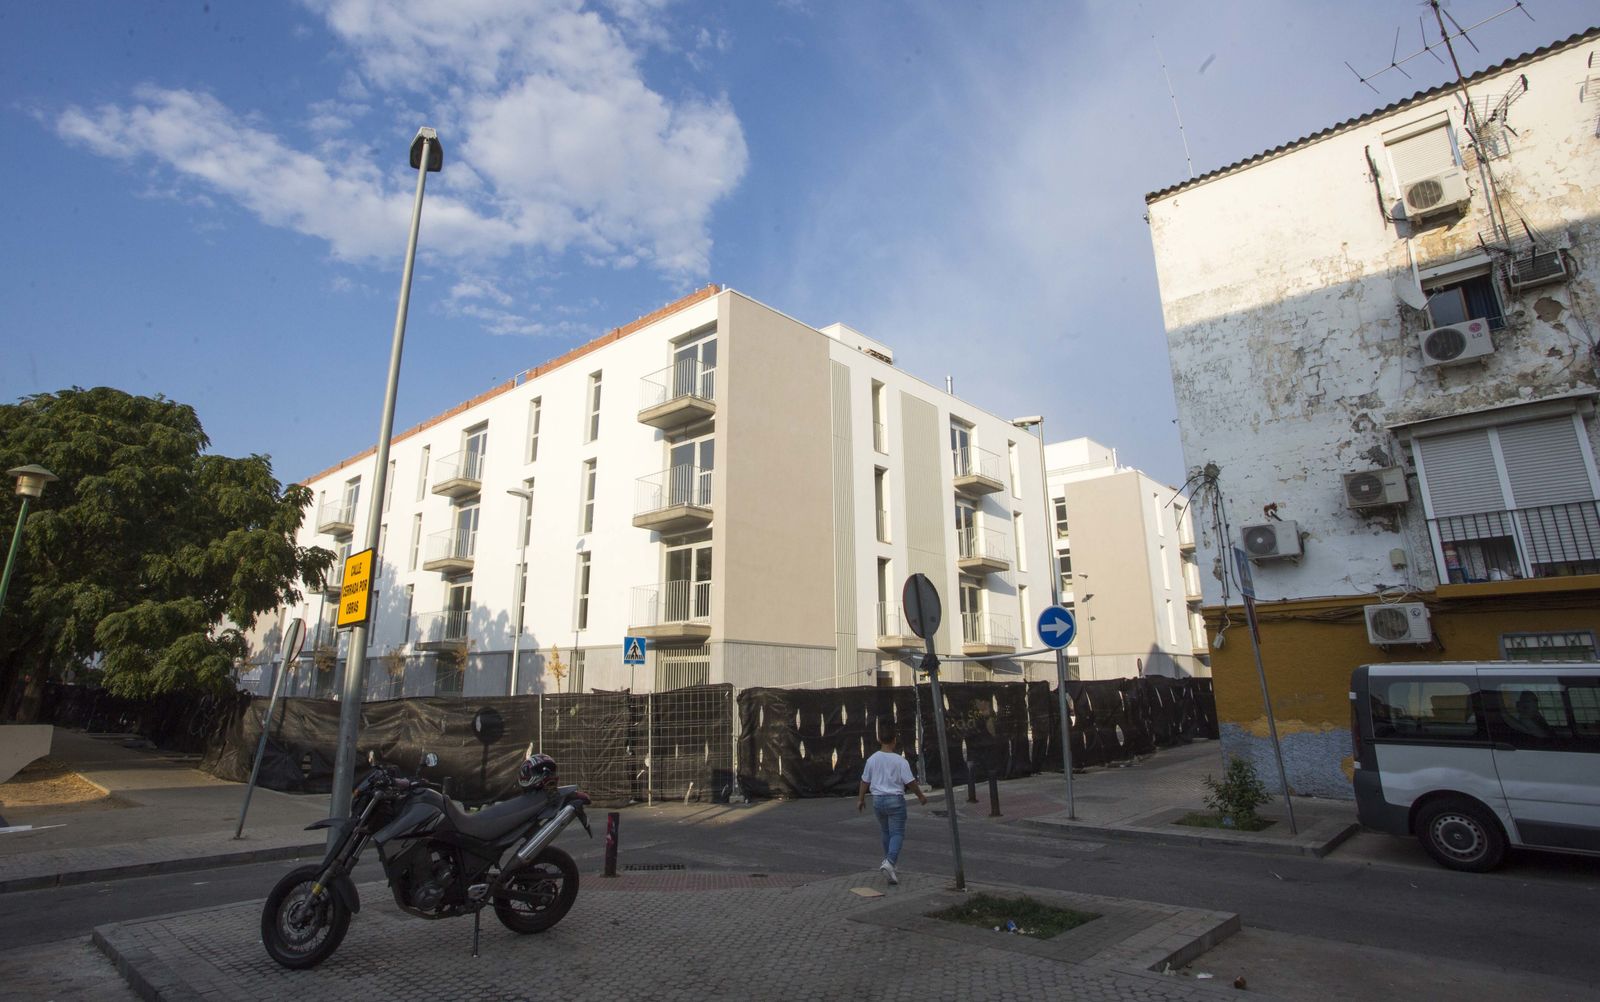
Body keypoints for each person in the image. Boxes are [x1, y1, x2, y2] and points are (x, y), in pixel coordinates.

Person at [856, 723, 927, 885]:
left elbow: (864, 781)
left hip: (878, 800)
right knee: (898, 833)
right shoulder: (900, 761)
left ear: (879, 739)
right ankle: (890, 862)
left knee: (885, 831)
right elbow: (910, 782)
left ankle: (890, 863)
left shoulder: (872, 759)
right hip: (895, 799)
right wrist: (921, 796)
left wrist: (860, 799)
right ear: (894, 741)